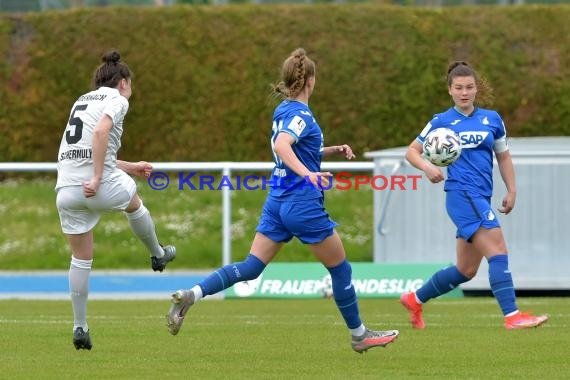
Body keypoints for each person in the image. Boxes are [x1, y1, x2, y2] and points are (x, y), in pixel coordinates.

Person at [166, 48, 399, 353]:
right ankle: (359, 336)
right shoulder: (302, 114)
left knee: (251, 266)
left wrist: (329, 150)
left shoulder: (283, 110)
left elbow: (294, 147)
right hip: (301, 203)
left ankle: (192, 296)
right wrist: (309, 175)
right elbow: (283, 144)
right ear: (311, 81)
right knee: (341, 270)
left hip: (277, 200)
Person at [401, 61, 548, 330]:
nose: (464, 92)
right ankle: (512, 316)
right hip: (462, 194)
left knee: (465, 270)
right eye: (459, 88)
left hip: (481, 195)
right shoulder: (441, 121)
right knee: (499, 251)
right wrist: (427, 167)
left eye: (469, 87)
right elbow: (412, 151)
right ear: (450, 90)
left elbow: (503, 157)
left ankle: (414, 298)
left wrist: (512, 189)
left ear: (476, 88)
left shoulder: (492, 119)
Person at [55, 50, 176, 350]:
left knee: (81, 259)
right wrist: (97, 179)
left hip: (67, 190)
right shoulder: (117, 100)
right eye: (131, 84)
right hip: (97, 185)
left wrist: (130, 166)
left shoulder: (81, 100)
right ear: (123, 83)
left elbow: (91, 148)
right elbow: (100, 131)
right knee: (133, 201)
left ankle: (80, 327)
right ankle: (157, 253)